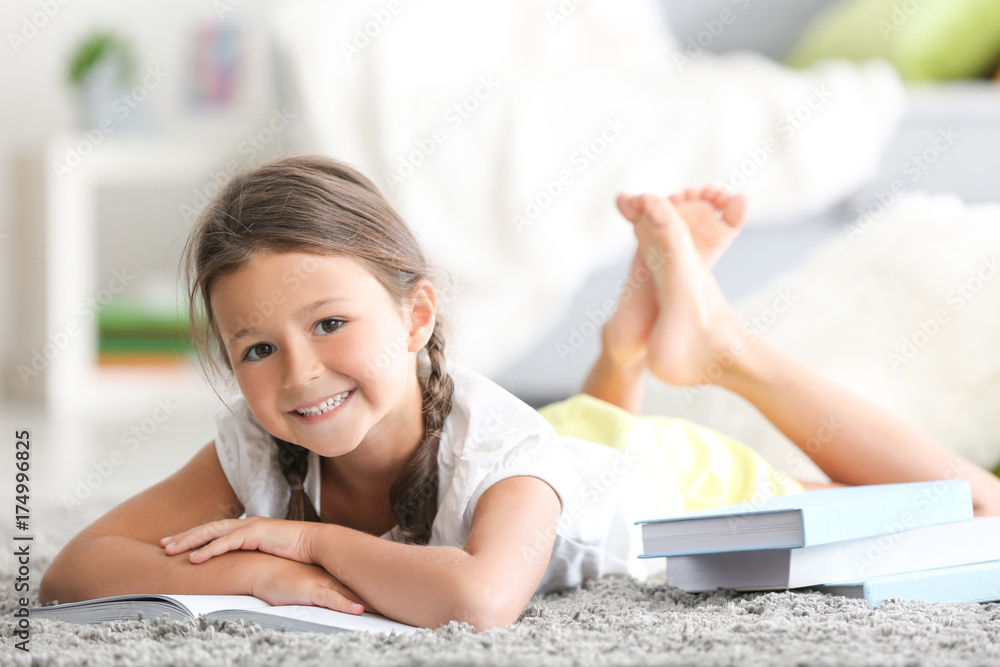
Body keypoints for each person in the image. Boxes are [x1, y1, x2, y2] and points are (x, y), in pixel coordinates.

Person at [39, 155, 1000, 633]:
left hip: (668, 491)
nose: (298, 376)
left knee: (976, 507)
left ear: (418, 318)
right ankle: (626, 345)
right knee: (587, 430)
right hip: (575, 441)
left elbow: (484, 596)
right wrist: (254, 575)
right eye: (256, 348)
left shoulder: (495, 448)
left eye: (332, 325)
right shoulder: (257, 441)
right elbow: (76, 567)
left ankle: (716, 347)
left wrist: (303, 540)